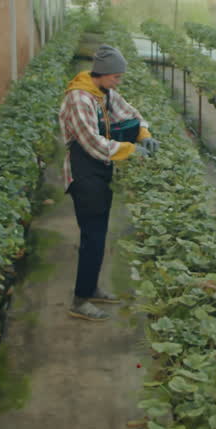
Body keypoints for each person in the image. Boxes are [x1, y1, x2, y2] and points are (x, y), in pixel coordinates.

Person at [58, 44, 159, 321]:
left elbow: (130, 113)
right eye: (116, 77)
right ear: (101, 74)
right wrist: (129, 150)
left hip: (100, 169)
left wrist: (143, 134)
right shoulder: (80, 99)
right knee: (92, 237)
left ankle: (91, 288)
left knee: (99, 234)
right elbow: (91, 143)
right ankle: (79, 300)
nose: (119, 82)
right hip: (84, 172)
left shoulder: (105, 93)